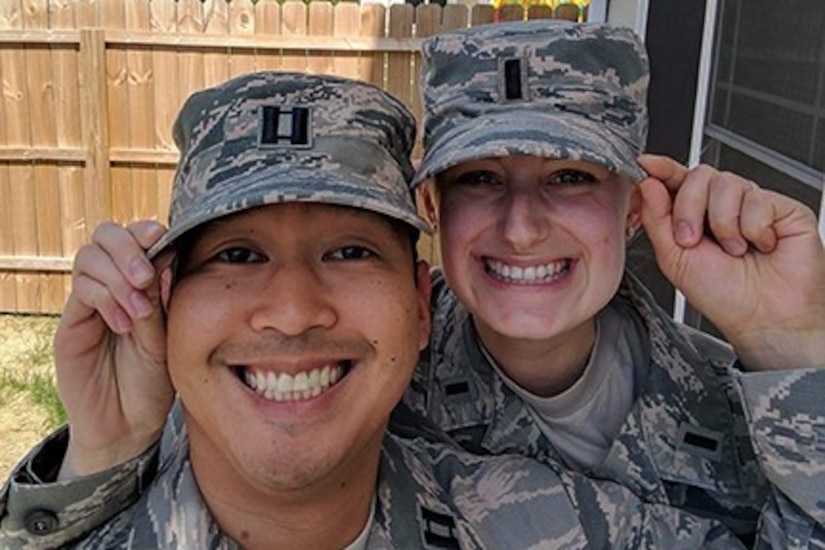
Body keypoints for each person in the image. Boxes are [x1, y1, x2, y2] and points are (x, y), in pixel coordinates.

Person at [0, 71, 760, 549]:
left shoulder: (546, 524)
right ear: (161, 306)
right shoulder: (98, 504)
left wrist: (793, 341)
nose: (292, 312)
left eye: (349, 252)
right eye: (236, 255)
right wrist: (100, 455)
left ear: (422, 309)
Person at [402, 19, 825, 547]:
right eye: (480, 178)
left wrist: (789, 349)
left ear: (634, 207)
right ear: (431, 205)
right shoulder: (378, 390)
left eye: (571, 177)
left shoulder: (759, 413)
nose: (521, 229)